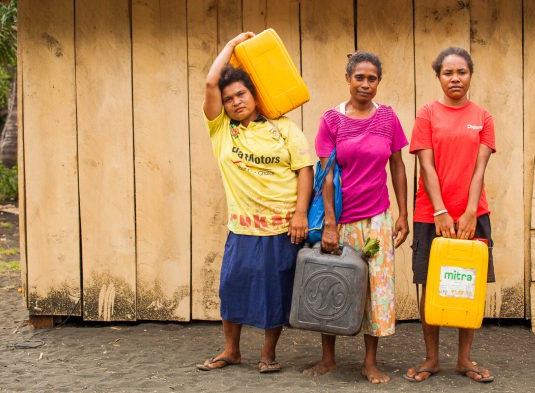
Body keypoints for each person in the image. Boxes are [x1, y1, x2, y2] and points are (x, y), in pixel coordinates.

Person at [197, 32, 314, 374]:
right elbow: (209, 83)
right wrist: (232, 48)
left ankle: (268, 354)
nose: (235, 102)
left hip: (282, 227)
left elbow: (304, 170)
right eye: (229, 98)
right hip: (242, 228)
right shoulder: (221, 130)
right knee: (232, 288)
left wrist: (300, 214)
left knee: (274, 293)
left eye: (241, 94)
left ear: (254, 95)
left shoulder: (284, 128)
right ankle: (231, 350)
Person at [303, 51, 409, 384]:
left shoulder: (389, 118)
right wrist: (330, 225)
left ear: (379, 82)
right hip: (342, 218)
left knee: (376, 288)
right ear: (348, 79)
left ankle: (369, 362)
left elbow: (398, 166)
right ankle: (328, 358)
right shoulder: (331, 120)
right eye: (359, 77)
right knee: (330, 282)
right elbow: (327, 176)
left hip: (377, 218)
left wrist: (403, 213)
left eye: (372, 78)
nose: (365, 84)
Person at [404, 47, 496, 383]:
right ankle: (431, 359)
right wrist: (440, 210)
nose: (455, 78)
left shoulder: (483, 117)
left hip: (474, 213)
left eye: (461, 72)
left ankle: (464, 360)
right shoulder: (427, 113)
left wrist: (470, 211)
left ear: (470, 74)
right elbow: (425, 165)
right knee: (430, 286)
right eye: (448, 73)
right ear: (439, 77)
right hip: (431, 214)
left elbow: (479, 168)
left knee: (467, 286)